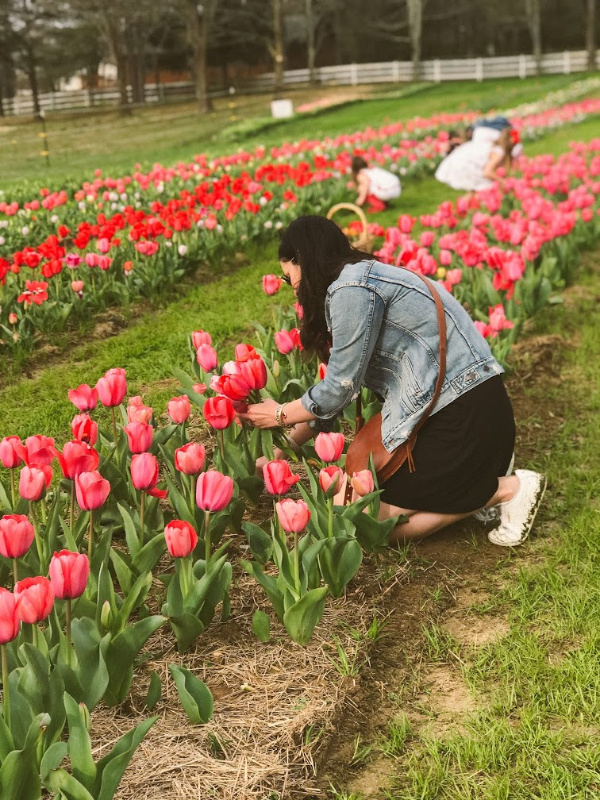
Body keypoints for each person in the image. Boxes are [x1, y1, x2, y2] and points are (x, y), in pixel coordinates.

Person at [239, 215, 546, 547]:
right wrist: (281, 451)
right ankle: (477, 484)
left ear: (304, 259)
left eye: (288, 277)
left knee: (364, 519)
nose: (292, 287)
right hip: (465, 411)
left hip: (462, 419)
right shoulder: (364, 278)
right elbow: (337, 396)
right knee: (351, 510)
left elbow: (338, 388)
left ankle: (504, 490)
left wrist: (278, 414)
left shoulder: (350, 289)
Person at [435, 124, 517, 193]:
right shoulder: (499, 152)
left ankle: (466, 205)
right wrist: (503, 182)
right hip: (465, 164)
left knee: (474, 191)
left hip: (458, 159)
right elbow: (487, 172)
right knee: (486, 187)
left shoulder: (491, 144)